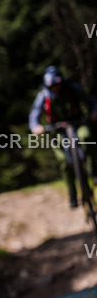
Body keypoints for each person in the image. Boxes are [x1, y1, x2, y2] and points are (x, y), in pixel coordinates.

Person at [28, 66, 97, 208]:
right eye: (52, 86)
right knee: (64, 161)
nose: (56, 88)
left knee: (87, 137)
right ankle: (72, 194)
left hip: (77, 123)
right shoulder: (43, 96)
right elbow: (34, 114)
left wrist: (94, 112)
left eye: (58, 84)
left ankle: (94, 173)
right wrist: (36, 126)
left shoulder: (72, 88)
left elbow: (91, 101)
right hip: (57, 130)